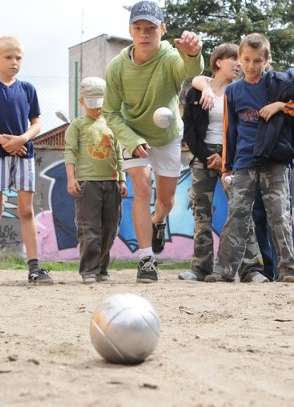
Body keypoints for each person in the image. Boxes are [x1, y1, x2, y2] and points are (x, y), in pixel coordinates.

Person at [103, 0, 204, 283]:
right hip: (133, 134)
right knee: (142, 189)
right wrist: (131, 139)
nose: (144, 33)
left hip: (168, 137)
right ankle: (146, 259)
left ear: (162, 29)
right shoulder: (117, 67)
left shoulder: (171, 58)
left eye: (150, 28)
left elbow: (191, 72)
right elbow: (110, 112)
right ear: (131, 31)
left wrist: (194, 53)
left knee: (167, 201)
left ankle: (158, 222)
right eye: (138, 28)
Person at [205, 33, 294, 283]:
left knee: (279, 215)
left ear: (267, 59)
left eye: (258, 60)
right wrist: (226, 167)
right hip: (243, 162)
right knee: (237, 216)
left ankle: (288, 270)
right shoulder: (233, 90)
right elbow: (230, 131)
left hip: (274, 162)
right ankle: (224, 270)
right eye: (247, 59)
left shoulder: (278, 85)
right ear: (239, 58)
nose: (252, 66)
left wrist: (280, 106)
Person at [0, 36, 53, 285]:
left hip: (24, 156)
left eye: (18, 58)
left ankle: (34, 268)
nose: (14, 62)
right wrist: (5, 141)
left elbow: (36, 124)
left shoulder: (28, 89)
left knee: (26, 210)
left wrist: (22, 139)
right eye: (8, 57)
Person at [179, 43, 267, 283]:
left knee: (241, 212)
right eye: (234, 60)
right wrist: (208, 155)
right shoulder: (197, 92)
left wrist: (226, 158)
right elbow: (189, 131)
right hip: (203, 156)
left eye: (241, 60)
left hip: (234, 157)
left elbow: (245, 129)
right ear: (218, 61)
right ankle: (200, 268)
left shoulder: (240, 91)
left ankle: (251, 269)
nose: (239, 65)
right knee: (201, 214)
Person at [65, 77, 128, 284]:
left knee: (110, 228)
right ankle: (89, 270)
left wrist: (122, 179)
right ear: (82, 101)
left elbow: (119, 154)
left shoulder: (112, 125)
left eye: (100, 104)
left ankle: (102, 268)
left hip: (111, 183)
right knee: (89, 228)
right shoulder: (77, 125)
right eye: (92, 104)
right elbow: (70, 153)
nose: (97, 109)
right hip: (88, 184)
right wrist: (71, 179)